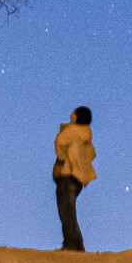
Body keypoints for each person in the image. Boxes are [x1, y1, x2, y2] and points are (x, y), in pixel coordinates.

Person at [52, 105, 96, 252]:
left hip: (67, 175)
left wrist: (64, 158)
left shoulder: (72, 131)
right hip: (78, 178)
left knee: (65, 211)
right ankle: (77, 244)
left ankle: (71, 244)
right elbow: (91, 155)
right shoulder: (86, 135)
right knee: (70, 211)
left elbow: (59, 145)